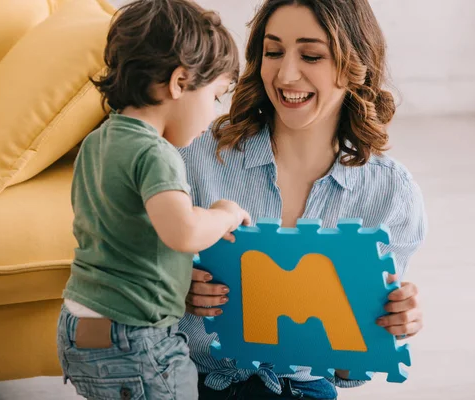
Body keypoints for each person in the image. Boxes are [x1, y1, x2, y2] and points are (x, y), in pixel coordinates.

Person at [179, 0, 428, 399]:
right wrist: (175, 289)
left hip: (306, 388)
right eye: (273, 52)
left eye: (311, 55)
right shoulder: (196, 158)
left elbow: (348, 369)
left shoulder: (391, 194)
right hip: (193, 382)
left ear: (354, 64)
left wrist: (387, 326)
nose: (286, 74)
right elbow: (134, 286)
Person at [56, 1, 249, 399]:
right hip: (136, 338)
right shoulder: (156, 153)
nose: (214, 113)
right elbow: (183, 232)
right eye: (215, 96)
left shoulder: (98, 142)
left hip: (78, 325)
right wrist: (224, 214)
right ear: (180, 83)